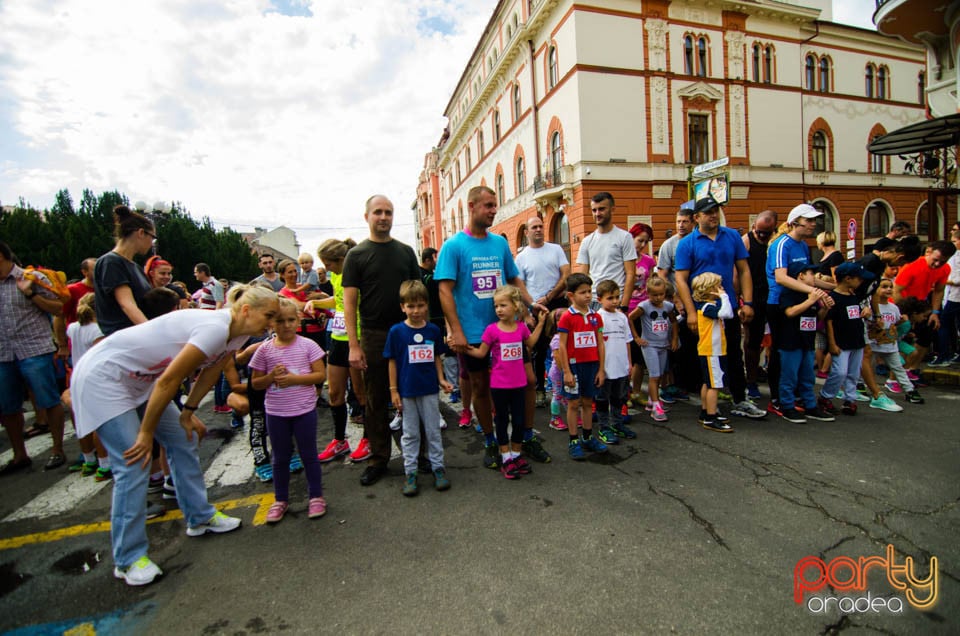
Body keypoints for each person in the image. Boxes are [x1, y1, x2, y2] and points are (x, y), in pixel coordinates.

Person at [70, 284, 278, 585]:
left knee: (185, 437)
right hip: (104, 379)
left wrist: (187, 413)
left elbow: (210, 372)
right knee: (134, 462)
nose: (271, 323)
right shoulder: (214, 328)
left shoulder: (240, 332)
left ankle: (199, 517)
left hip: (138, 383)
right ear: (246, 310)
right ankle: (127, 560)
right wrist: (145, 433)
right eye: (268, 315)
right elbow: (170, 380)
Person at [435, 185, 547, 470]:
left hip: (509, 329)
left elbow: (513, 279)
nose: (493, 210)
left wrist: (531, 305)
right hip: (474, 334)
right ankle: (490, 440)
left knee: (529, 382)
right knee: (481, 388)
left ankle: (525, 435)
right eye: (488, 205)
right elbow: (445, 291)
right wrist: (455, 330)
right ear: (472, 207)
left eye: (494, 205)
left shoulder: (498, 243)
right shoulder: (453, 246)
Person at [344, 195, 421, 487]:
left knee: (414, 394)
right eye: (378, 212)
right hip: (374, 335)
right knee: (376, 399)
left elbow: (418, 294)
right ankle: (378, 458)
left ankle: (420, 454)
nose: (384, 217)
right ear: (367, 217)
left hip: (407, 331)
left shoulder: (405, 252)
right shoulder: (357, 255)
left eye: (388, 212)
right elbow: (349, 304)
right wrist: (354, 344)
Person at [675, 196, 767, 421]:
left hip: (728, 308)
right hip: (702, 311)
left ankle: (738, 399)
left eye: (715, 211)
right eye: (708, 212)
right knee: (704, 359)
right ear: (697, 217)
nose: (713, 215)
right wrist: (689, 312)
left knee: (734, 355)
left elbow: (744, 270)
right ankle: (707, 407)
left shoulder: (732, 236)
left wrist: (748, 302)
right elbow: (680, 279)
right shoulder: (687, 243)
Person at [249, 298, 327, 523]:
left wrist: (294, 379)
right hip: (276, 412)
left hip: (304, 410)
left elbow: (320, 375)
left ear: (299, 319)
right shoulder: (264, 350)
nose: (286, 325)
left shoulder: (308, 345)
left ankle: (316, 496)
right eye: (280, 321)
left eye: (291, 320)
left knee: (309, 455)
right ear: (271, 322)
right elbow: (255, 383)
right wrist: (271, 377)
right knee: (280, 457)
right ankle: (280, 499)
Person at [0, 240, 68, 474]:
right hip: (3, 352)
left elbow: (59, 308)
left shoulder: (34, 277)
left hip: (34, 348)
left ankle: (57, 449)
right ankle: (20, 455)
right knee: (7, 407)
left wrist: (30, 294)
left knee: (48, 399)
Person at [466, 285, 546, 478]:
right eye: (496, 306)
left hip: (519, 384)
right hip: (499, 386)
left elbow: (531, 343)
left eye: (503, 305)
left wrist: (541, 323)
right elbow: (481, 353)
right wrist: (463, 348)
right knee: (501, 421)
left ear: (516, 306)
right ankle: (505, 457)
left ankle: (517, 454)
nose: (499, 309)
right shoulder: (492, 330)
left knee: (518, 421)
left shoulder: (521, 328)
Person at [764, 203, 835, 414]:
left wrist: (832, 288)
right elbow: (781, 277)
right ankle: (777, 398)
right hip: (779, 303)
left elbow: (807, 277)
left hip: (802, 302)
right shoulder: (781, 244)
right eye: (809, 221)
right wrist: (816, 293)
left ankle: (799, 397)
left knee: (803, 350)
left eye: (815, 221)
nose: (813, 225)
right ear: (795, 223)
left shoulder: (804, 245)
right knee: (781, 352)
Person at [385, 280, 453, 495]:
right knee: (410, 433)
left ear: (427, 306)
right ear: (402, 307)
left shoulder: (433, 330)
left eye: (420, 305)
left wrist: (441, 379)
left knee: (433, 431)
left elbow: (436, 357)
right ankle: (411, 472)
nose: (416, 311)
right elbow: (393, 361)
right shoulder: (396, 331)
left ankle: (438, 468)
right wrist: (394, 390)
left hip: (429, 390)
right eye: (411, 306)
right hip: (407, 391)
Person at [819, 263, 899, 415]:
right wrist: (832, 343)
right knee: (840, 372)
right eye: (859, 278)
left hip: (857, 341)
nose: (861, 281)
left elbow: (856, 315)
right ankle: (825, 397)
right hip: (841, 342)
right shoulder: (833, 298)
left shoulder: (854, 296)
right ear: (848, 279)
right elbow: (829, 322)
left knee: (853, 373)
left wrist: (867, 312)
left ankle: (850, 399)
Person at [516, 215, 570, 406]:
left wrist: (550, 296)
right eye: (534, 227)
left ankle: (566, 387)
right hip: (535, 309)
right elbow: (518, 288)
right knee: (538, 351)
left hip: (558, 304)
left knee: (563, 347)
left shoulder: (555, 249)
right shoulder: (521, 257)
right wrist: (525, 313)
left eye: (540, 226)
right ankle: (539, 389)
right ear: (526, 232)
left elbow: (566, 275)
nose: (538, 230)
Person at [556, 273, 607, 459]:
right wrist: (567, 371)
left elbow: (600, 343)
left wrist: (601, 369)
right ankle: (573, 440)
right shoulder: (566, 318)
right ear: (571, 295)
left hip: (592, 366)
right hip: (574, 367)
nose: (588, 296)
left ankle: (587, 436)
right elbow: (562, 345)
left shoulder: (596, 317)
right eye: (582, 292)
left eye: (589, 292)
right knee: (573, 403)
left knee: (588, 402)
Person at [776, 263, 833, 424]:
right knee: (789, 376)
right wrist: (811, 300)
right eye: (810, 274)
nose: (814, 278)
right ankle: (787, 406)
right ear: (800, 276)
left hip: (807, 342)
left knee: (808, 376)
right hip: (790, 342)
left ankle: (810, 405)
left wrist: (825, 308)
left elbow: (816, 319)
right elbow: (790, 312)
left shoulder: (812, 296)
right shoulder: (789, 293)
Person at [894, 240, 957, 372]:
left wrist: (935, 312)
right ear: (928, 252)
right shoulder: (912, 266)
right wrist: (905, 314)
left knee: (926, 338)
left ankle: (912, 370)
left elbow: (939, 290)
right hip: (904, 305)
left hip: (921, 305)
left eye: (942, 261)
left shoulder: (945, 269)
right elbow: (896, 290)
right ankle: (898, 374)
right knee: (905, 342)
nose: (937, 264)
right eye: (935, 260)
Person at [94, 205, 155, 336]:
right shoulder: (111, 262)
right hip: (125, 338)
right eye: (152, 237)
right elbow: (127, 304)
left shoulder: (135, 267)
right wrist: (152, 334)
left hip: (136, 335)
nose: (152, 243)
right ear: (141, 233)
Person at [657, 201, 697, 398]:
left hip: (698, 299)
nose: (681, 225)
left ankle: (697, 383)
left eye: (685, 222)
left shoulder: (699, 241)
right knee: (679, 346)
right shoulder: (669, 245)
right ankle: (679, 384)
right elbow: (662, 275)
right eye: (678, 221)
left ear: (693, 222)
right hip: (677, 304)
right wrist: (675, 300)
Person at [867, 279, 924, 404]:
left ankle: (909, 390)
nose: (888, 289)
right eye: (884, 287)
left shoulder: (893, 308)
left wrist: (901, 322)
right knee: (866, 367)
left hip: (890, 344)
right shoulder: (870, 307)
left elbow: (895, 323)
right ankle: (859, 385)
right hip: (873, 344)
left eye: (890, 287)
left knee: (898, 367)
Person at [576, 192, 637, 308]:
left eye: (601, 209)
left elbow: (630, 273)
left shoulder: (624, 237)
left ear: (612, 209)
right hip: (593, 301)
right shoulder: (587, 241)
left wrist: (624, 305)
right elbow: (582, 277)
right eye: (594, 210)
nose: (597, 214)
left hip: (615, 300)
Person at [690, 273, 734, 432]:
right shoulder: (708, 307)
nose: (721, 289)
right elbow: (728, 313)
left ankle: (705, 410)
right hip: (712, 350)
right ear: (709, 289)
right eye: (718, 286)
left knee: (708, 383)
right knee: (714, 385)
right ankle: (711, 416)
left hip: (711, 349)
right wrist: (724, 297)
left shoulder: (707, 306)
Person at [741, 211, 778, 400]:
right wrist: (744, 300)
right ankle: (751, 380)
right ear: (754, 226)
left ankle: (774, 380)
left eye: (766, 233)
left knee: (776, 342)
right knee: (752, 343)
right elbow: (739, 271)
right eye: (759, 232)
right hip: (753, 297)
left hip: (773, 296)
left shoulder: (776, 243)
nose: (762, 236)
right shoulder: (746, 241)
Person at [595, 279, 637, 441]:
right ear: (599, 299)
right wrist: (599, 367)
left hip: (621, 366)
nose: (614, 301)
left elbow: (627, 341)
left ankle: (617, 423)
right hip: (605, 367)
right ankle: (604, 427)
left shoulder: (622, 317)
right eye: (610, 298)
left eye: (616, 297)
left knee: (619, 397)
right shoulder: (598, 317)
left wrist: (629, 363)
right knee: (603, 398)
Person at [633, 277, 678, 422]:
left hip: (663, 345)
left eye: (661, 294)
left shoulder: (668, 306)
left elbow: (674, 321)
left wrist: (674, 338)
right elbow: (629, 318)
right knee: (654, 376)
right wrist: (636, 337)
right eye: (654, 295)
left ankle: (654, 400)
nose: (658, 298)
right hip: (649, 345)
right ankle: (656, 408)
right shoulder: (644, 306)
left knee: (659, 375)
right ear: (648, 293)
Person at [626, 222, 657, 405]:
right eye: (639, 240)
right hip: (626, 309)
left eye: (645, 242)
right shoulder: (623, 259)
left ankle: (636, 392)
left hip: (643, 309)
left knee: (640, 354)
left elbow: (650, 284)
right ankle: (625, 392)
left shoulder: (648, 261)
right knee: (625, 354)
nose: (641, 245)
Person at [932, 229, 960, 366]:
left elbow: (956, 279)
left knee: (943, 324)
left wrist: (943, 281)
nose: (954, 244)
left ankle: (943, 356)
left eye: (955, 241)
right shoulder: (954, 257)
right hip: (951, 296)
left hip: (955, 297)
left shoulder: (957, 257)